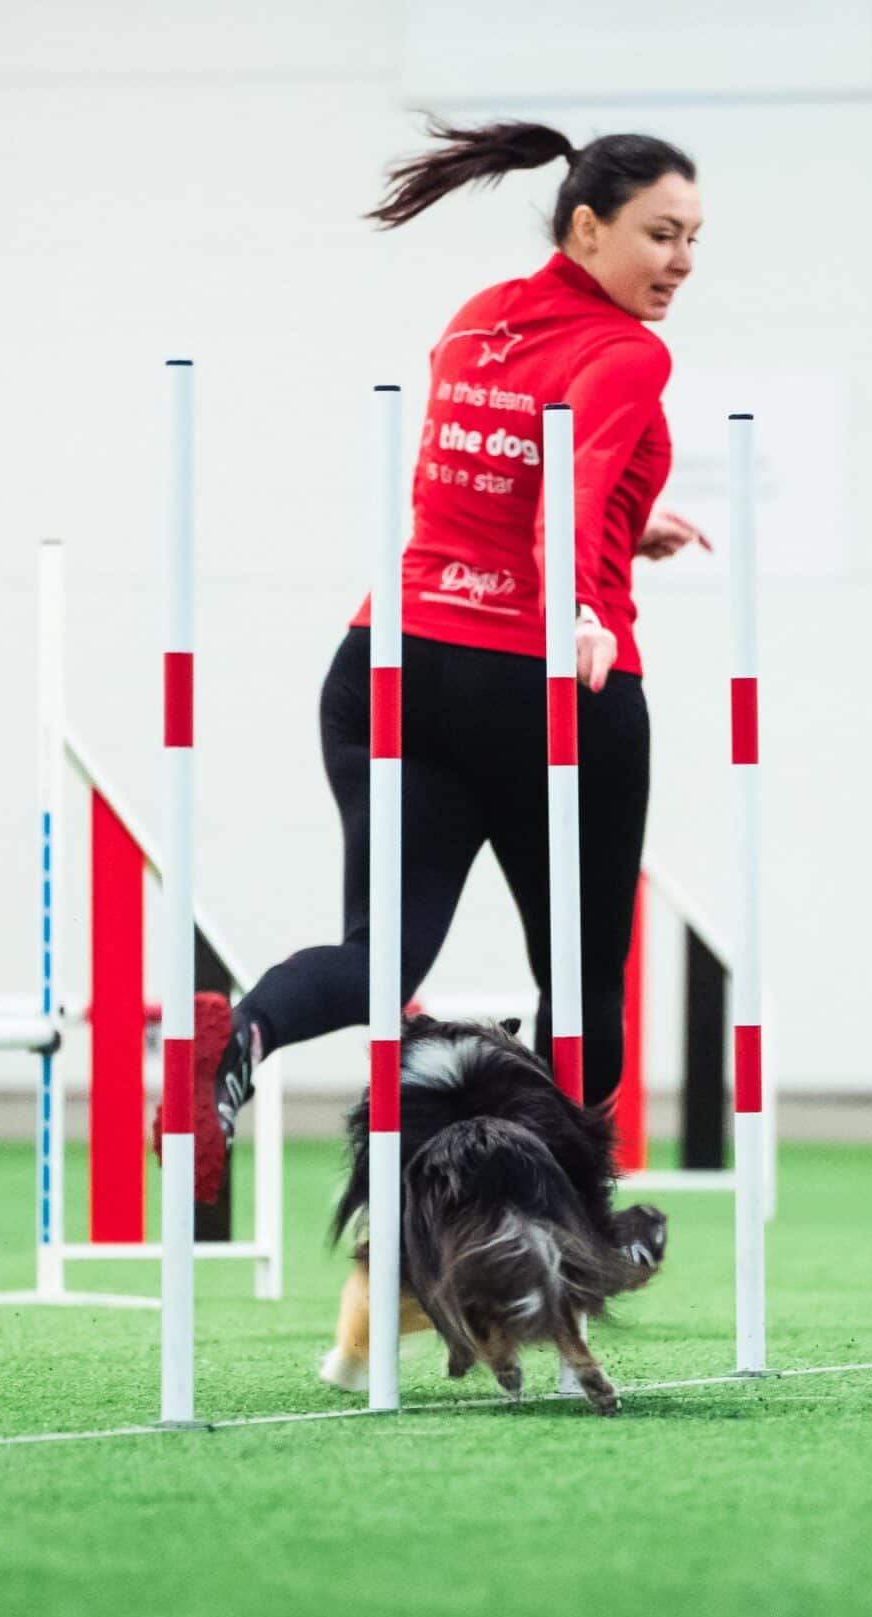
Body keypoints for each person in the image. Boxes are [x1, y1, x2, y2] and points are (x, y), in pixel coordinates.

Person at [189, 121, 708, 1380]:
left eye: (694, 239)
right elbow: (573, 480)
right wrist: (587, 601)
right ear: (586, 227)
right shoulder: (629, 351)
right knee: (583, 993)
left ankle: (242, 1038)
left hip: (389, 666)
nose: (680, 261)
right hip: (536, 689)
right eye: (659, 233)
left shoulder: (479, 316)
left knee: (384, 962)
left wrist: (627, 527)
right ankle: (542, 1241)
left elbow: (503, 479)